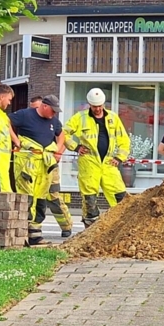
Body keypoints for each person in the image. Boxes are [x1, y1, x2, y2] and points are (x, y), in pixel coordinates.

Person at [10, 95, 73, 245]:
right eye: (53, 110)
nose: (54, 114)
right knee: (27, 198)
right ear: (44, 106)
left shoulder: (53, 121)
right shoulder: (25, 115)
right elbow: (6, 122)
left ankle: (35, 235)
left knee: (41, 199)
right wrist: (16, 141)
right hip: (28, 166)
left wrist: (57, 150)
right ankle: (24, 233)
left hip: (44, 167)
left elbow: (61, 134)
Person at [63, 88, 130, 227]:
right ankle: (90, 225)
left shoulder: (112, 117)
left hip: (108, 162)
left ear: (103, 104)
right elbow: (63, 133)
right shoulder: (80, 118)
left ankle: (124, 223)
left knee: (119, 193)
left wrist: (119, 158)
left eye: (100, 106)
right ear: (89, 104)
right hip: (89, 161)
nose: (98, 109)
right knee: (89, 197)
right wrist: (75, 147)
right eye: (94, 106)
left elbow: (124, 139)